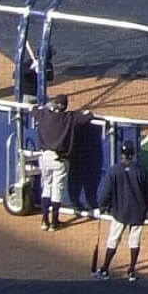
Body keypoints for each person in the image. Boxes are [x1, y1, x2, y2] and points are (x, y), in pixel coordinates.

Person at [94, 140, 148, 281]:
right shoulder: (141, 171)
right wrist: (145, 209)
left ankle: (105, 269)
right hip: (138, 213)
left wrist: (103, 207)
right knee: (135, 241)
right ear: (133, 153)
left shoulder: (114, 170)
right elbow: (147, 194)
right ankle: (132, 271)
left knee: (113, 240)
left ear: (122, 154)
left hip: (119, 212)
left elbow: (104, 192)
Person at [34, 93, 93, 230]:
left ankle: (44, 221)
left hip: (45, 158)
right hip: (59, 160)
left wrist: (46, 108)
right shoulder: (69, 117)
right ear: (65, 106)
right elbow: (88, 116)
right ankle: (54, 222)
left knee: (46, 187)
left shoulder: (44, 114)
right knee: (57, 190)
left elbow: (33, 108)